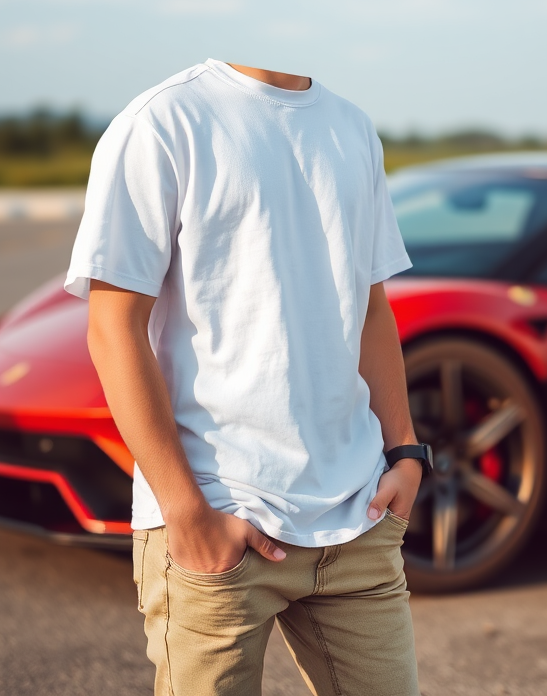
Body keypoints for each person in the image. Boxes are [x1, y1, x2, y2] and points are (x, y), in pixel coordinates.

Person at [65, 59, 429, 696]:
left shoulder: (352, 128)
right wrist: (188, 513)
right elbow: (113, 327)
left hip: (357, 521)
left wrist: (405, 451)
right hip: (219, 516)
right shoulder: (162, 122)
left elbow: (370, 306)